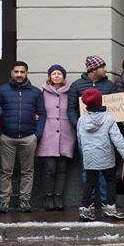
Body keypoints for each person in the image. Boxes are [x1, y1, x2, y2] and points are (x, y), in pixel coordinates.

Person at [0, 61, 46, 213]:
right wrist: (0, 134)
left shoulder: (36, 92)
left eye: (22, 72)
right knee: (6, 171)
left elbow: (42, 114)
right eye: (16, 72)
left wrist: (37, 134)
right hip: (7, 137)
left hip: (29, 137)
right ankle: (4, 202)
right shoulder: (1, 91)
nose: (19, 75)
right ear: (11, 73)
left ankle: (25, 201)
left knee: (27, 171)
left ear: (27, 73)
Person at [77, 88, 124, 221]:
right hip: (106, 155)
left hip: (89, 156)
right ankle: (109, 208)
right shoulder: (108, 118)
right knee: (110, 181)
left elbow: (80, 138)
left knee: (90, 182)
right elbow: (117, 140)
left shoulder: (82, 119)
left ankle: (85, 210)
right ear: (100, 101)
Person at [68, 55, 114, 205]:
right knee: (87, 169)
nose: (105, 70)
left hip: (104, 135)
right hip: (85, 135)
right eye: (102, 67)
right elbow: (71, 109)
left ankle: (104, 201)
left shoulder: (109, 86)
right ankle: (90, 201)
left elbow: (116, 109)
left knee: (105, 168)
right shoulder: (77, 85)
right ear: (93, 70)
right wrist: (79, 126)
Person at [37, 65, 76, 211]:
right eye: (54, 73)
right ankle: (48, 197)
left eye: (60, 73)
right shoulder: (41, 92)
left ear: (63, 77)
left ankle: (58, 196)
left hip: (66, 134)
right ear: (49, 76)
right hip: (48, 133)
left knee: (62, 169)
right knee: (49, 168)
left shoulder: (70, 92)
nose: (57, 76)